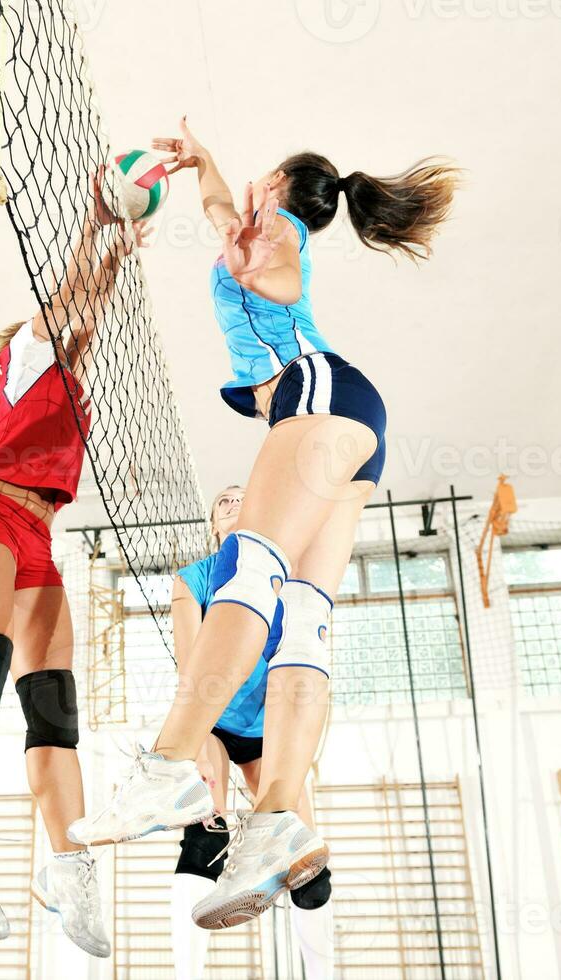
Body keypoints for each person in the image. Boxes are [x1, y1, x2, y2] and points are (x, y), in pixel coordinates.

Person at [71, 116, 457, 931]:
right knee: (304, 618)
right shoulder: (249, 225)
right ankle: (280, 811)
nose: (239, 199)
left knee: (252, 568)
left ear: (278, 187)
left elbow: (279, 273)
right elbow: (221, 211)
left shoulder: (272, 232)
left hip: (314, 391)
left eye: (257, 184)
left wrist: (265, 263)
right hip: (353, 420)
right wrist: (205, 163)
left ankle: (173, 761)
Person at [0, 196, 149, 957]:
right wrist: (94, 226)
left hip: (38, 537)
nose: (76, 333)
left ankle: (69, 868)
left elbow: (93, 306)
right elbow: (74, 301)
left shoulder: (72, 386)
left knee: (53, 706)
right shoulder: (26, 354)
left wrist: (117, 254)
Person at [169, 486, 335, 978]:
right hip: (213, 716)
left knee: (306, 858)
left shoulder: (290, 577)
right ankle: (186, 973)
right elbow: (189, 663)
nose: (235, 503)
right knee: (206, 823)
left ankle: (322, 971)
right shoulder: (193, 578)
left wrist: (304, 738)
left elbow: (311, 662)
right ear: (213, 527)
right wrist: (196, 737)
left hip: (274, 725)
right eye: (223, 502)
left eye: (244, 497)